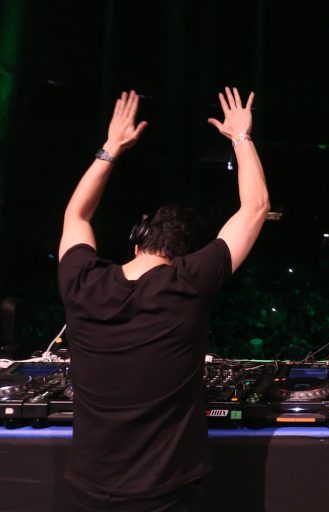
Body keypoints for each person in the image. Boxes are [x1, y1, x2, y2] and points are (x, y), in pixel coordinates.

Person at [58, 87, 269, 511]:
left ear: (137, 242)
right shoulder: (186, 284)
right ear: (186, 256)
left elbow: (75, 215)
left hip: (85, 491)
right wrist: (241, 136)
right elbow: (255, 207)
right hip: (164, 496)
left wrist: (111, 147)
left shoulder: (81, 282)